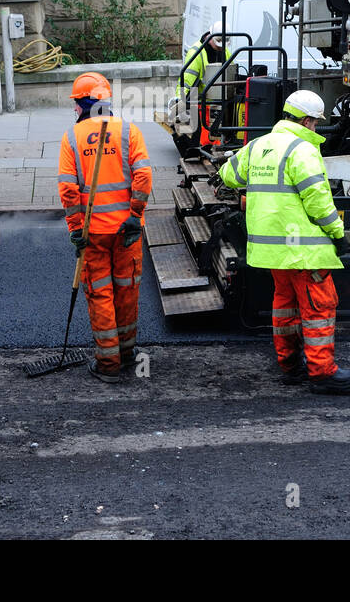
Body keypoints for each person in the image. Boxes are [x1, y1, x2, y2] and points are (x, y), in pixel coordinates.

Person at [218, 89, 350, 394]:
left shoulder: (258, 145)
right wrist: (338, 235)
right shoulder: (303, 150)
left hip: (270, 250)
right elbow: (318, 202)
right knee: (318, 306)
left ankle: (290, 365)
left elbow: (227, 174)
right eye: (315, 122)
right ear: (308, 121)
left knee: (284, 304)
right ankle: (322, 372)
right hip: (303, 250)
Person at [59, 72, 154, 383]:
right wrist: (133, 215)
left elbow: (68, 190)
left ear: (86, 103)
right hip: (127, 231)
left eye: (76, 103)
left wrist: (76, 228)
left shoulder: (72, 137)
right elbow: (143, 177)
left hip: (93, 233)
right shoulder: (128, 131)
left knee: (100, 294)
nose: (74, 109)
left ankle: (108, 364)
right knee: (126, 291)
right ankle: (127, 354)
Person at [176, 33, 229, 145]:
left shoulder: (225, 51)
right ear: (210, 39)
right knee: (206, 136)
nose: (221, 47)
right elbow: (187, 79)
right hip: (202, 99)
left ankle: (218, 143)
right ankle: (206, 145)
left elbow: (231, 71)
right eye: (218, 44)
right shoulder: (197, 52)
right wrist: (180, 101)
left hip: (219, 97)